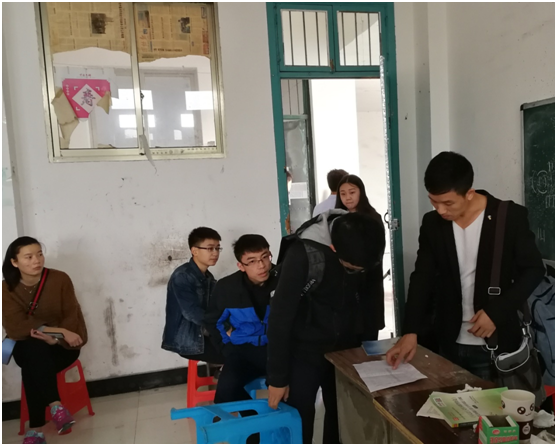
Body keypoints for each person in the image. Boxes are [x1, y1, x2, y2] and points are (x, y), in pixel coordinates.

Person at [386, 152, 545, 382]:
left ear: (469, 193)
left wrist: (497, 312)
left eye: (448, 203)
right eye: (433, 201)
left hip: (494, 344)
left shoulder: (509, 217)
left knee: (490, 406)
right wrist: (410, 331)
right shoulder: (432, 224)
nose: (440, 210)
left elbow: (534, 270)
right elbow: (422, 277)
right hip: (447, 342)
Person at [266, 211, 386, 443]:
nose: (357, 273)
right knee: (299, 417)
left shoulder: (368, 243)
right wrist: (277, 378)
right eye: (351, 268)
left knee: (342, 415)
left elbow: (372, 302)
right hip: (304, 351)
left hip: (346, 350)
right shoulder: (303, 254)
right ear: (333, 249)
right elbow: (280, 318)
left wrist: (369, 350)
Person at [2, 237, 88, 444]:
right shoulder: (6, 288)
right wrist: (57, 331)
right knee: (34, 349)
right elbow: (15, 327)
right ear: (14, 262)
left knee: (32, 367)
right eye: (29, 257)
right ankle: (56, 407)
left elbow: (71, 316)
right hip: (28, 346)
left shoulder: (59, 279)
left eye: (39, 254)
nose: (36, 260)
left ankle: (36, 429)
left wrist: (55, 340)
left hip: (61, 348)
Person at [205, 234, 277, 404]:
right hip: (244, 351)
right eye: (252, 261)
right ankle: (253, 419)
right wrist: (227, 349)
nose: (261, 265)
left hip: (279, 350)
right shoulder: (227, 288)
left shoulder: (284, 279)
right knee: (226, 392)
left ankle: (283, 419)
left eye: (265, 257)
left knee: (295, 391)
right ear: (241, 266)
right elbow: (213, 321)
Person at [162, 227, 225, 366]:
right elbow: (192, 313)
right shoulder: (183, 276)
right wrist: (223, 326)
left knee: (244, 345)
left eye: (217, 248)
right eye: (210, 248)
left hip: (204, 333)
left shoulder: (208, 277)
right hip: (188, 340)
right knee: (234, 354)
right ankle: (224, 374)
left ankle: (223, 372)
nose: (215, 253)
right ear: (194, 251)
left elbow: (213, 308)